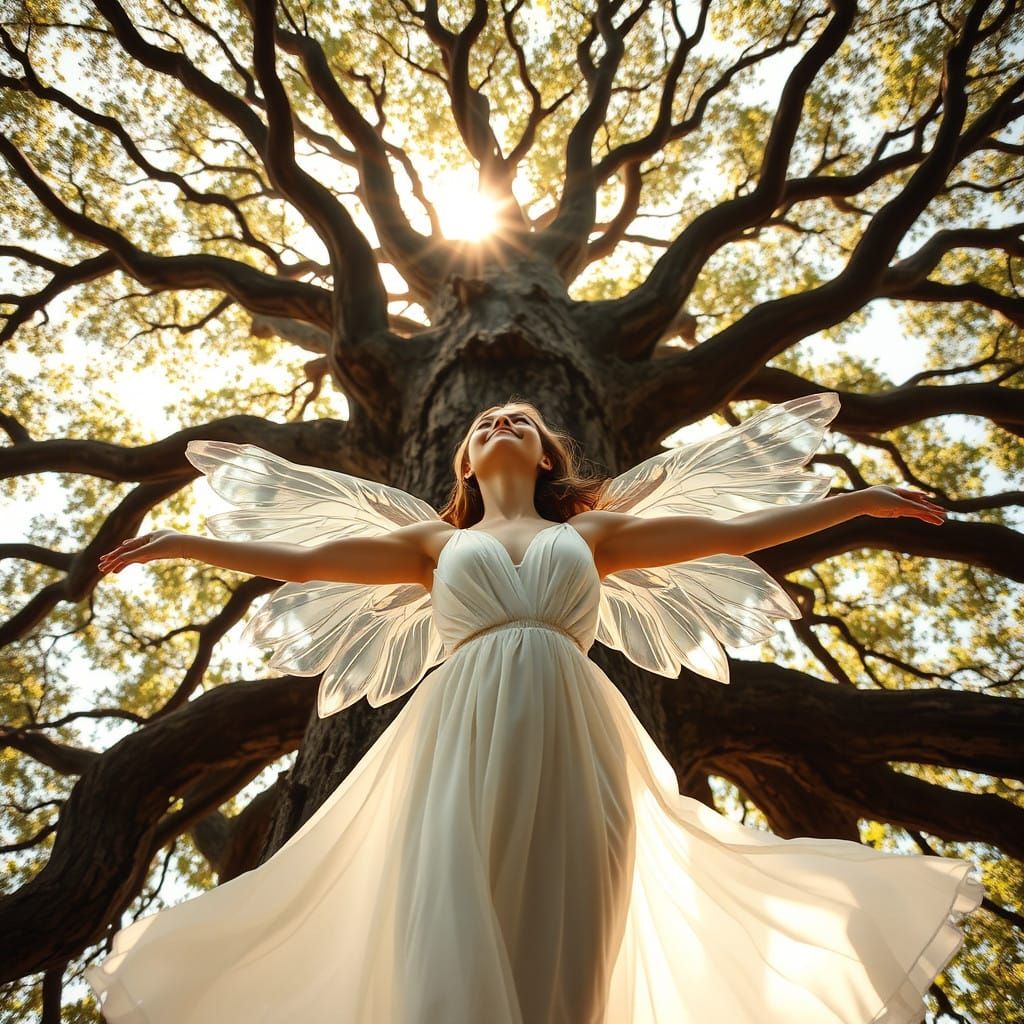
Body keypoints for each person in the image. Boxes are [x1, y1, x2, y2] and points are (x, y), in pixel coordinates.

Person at [87, 394, 982, 1024]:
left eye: (519, 419)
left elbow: (736, 534)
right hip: (453, 737)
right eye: (483, 423)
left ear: (547, 453)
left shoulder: (591, 535)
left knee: (572, 931)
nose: (501, 424)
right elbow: (311, 560)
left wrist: (859, 502)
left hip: (578, 736)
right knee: (446, 919)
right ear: (465, 461)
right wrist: (186, 542)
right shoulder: (432, 543)